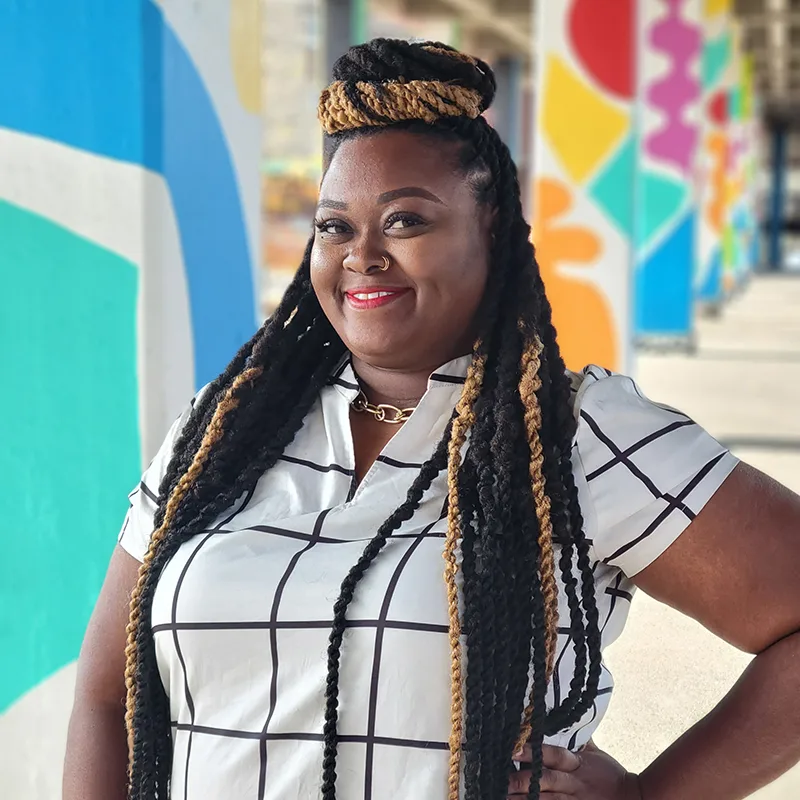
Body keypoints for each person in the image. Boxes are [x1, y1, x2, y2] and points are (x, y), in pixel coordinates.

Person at [63, 39, 800, 800]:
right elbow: (106, 697)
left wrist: (649, 796)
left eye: (406, 221)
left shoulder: (573, 432)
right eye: (334, 226)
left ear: (493, 234)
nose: (363, 255)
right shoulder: (221, 433)